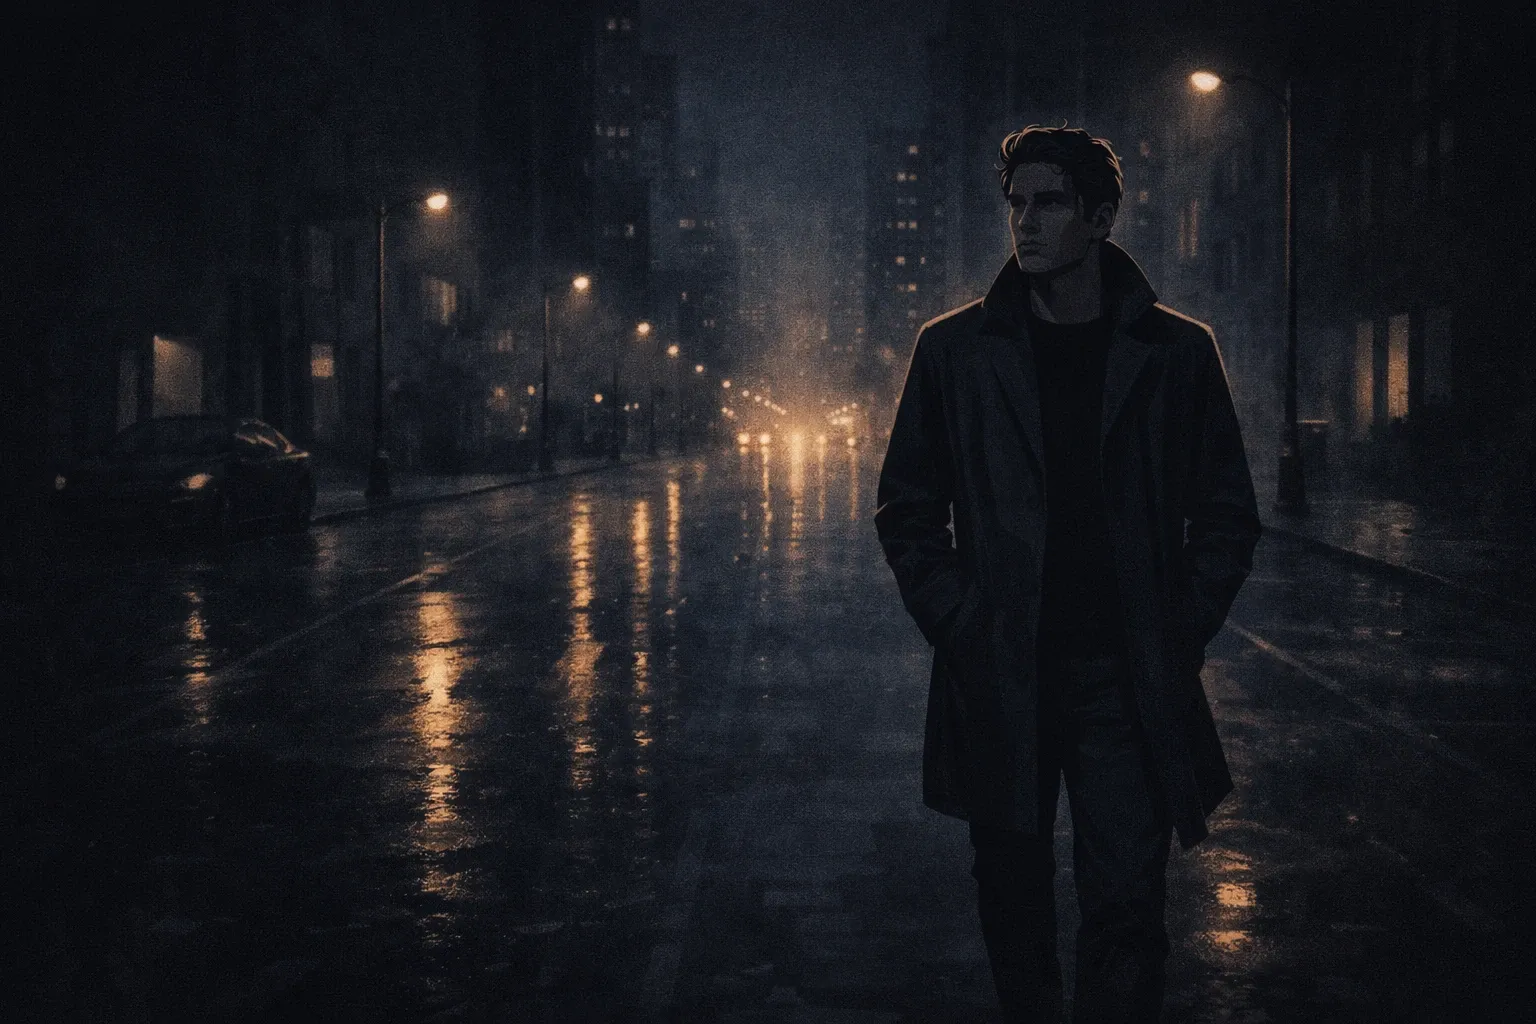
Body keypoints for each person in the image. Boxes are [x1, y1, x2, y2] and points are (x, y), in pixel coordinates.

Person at [873, 124, 1262, 1022]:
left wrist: (1178, 626)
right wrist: (964, 622)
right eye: (1016, 205)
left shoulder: (1176, 354)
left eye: (1048, 203)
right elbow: (907, 510)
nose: (1026, 223)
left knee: (1127, 909)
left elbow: (1228, 513)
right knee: (1013, 909)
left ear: (1100, 218)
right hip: (1002, 672)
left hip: (1124, 679)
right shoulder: (955, 353)